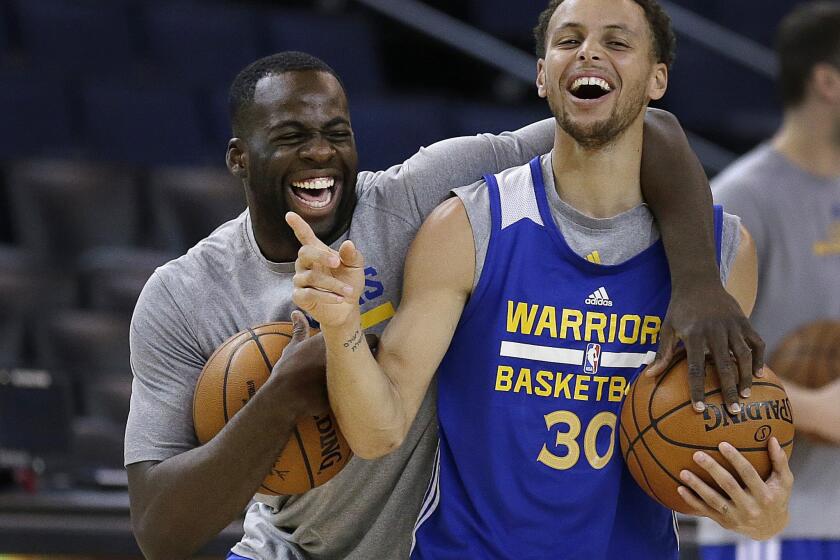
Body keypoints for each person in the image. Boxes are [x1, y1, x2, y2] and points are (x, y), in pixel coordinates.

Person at [125, 47, 760, 560]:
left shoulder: (419, 197)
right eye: (290, 135)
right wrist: (285, 390)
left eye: (335, 133)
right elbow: (159, 530)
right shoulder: (184, 296)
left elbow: (648, 127)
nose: (319, 152)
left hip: (435, 543)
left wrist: (699, 283)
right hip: (291, 546)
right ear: (238, 157)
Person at [289, 0, 792, 558]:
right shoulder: (468, 227)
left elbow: (730, 431)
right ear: (541, 73)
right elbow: (376, 432)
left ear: (658, 80)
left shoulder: (725, 254)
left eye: (617, 42)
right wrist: (341, 328)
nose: (589, 51)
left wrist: (762, 511)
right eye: (568, 40)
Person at [697, 3, 840, 559]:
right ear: (827, 81)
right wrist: (811, 407)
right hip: (773, 522)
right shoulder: (739, 200)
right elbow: (696, 362)